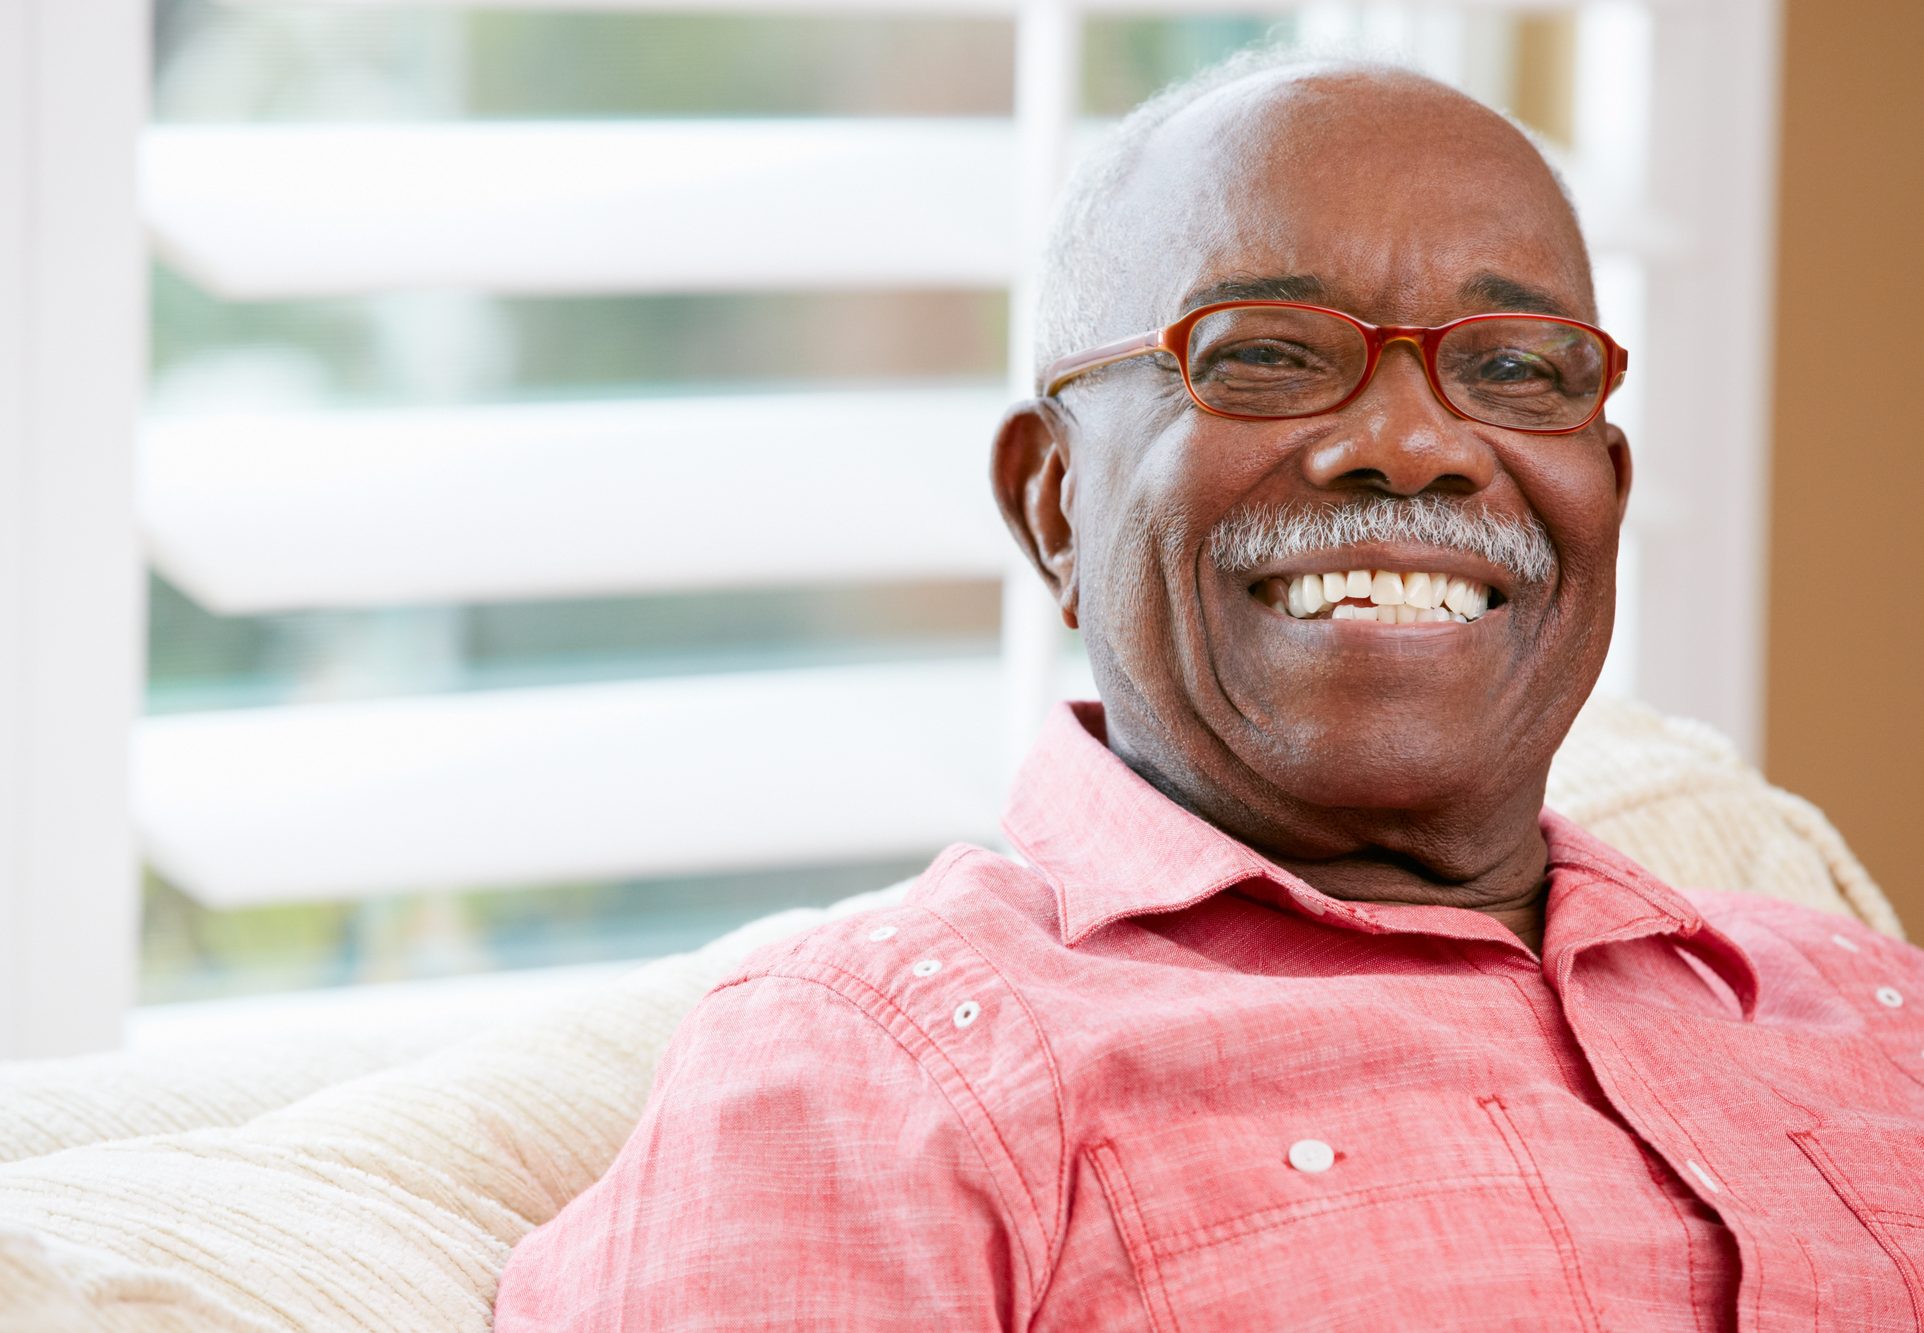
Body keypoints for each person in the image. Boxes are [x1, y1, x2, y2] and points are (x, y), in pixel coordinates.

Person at [494, 54, 1924, 1331]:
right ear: (1053, 507)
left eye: (1512, 368)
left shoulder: (1866, 995)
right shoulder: (877, 1071)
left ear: (1605, 494)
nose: (1416, 445)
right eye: (1267, 357)